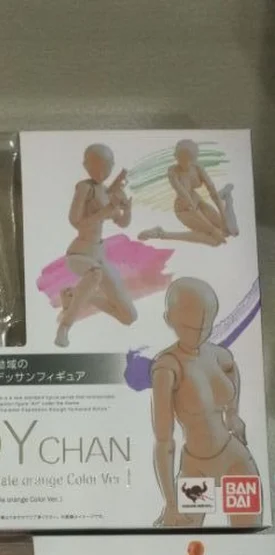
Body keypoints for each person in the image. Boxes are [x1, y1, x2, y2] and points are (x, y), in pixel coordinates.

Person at [151, 277, 261, 527]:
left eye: (207, 325)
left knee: (248, 535)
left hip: (235, 458)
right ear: (170, 319)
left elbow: (231, 366)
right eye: (190, 327)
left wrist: (232, 413)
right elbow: (164, 441)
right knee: (184, 538)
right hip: (196, 468)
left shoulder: (216, 354)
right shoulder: (167, 367)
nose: (199, 333)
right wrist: (170, 502)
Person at [55, 144, 136, 348]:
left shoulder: (107, 192)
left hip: (99, 255)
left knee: (128, 316)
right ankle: (64, 327)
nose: (102, 172)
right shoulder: (85, 188)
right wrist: (105, 211)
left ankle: (77, 295)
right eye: (96, 167)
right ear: (86, 165)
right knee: (95, 274)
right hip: (80, 253)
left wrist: (126, 209)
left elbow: (122, 222)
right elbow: (76, 221)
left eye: (107, 167)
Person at [139, 139, 238, 246]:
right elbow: (189, 203)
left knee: (228, 231)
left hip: (199, 203)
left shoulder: (197, 168)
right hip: (185, 209)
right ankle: (161, 233)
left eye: (187, 158)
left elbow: (213, 192)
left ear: (193, 158)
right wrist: (213, 230)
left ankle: (228, 198)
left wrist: (224, 218)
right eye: (179, 157)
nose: (183, 162)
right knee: (214, 241)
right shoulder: (173, 172)